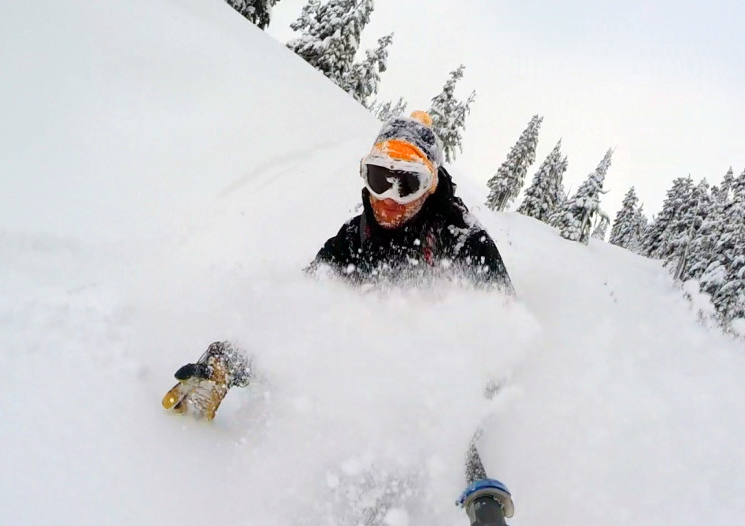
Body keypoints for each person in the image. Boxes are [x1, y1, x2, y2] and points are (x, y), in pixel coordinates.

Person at [162, 111, 514, 422]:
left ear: (431, 185)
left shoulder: (463, 240)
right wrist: (238, 357)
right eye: (379, 178)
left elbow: (503, 332)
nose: (390, 198)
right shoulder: (354, 237)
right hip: (364, 374)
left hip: (429, 387)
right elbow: (302, 306)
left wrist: (461, 393)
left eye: (407, 183)